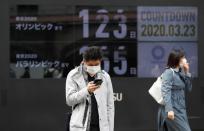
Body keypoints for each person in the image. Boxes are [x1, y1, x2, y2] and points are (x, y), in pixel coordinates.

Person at [65, 46, 114, 131]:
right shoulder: (73, 75)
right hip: (80, 127)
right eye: (91, 65)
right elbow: (69, 100)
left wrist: (110, 129)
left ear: (100, 61)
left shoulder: (105, 77)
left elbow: (110, 106)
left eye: (97, 64)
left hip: (101, 127)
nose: (94, 67)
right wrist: (86, 91)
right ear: (84, 61)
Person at [157, 49, 192, 131]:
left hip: (181, 109)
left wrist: (187, 72)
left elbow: (189, 88)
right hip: (172, 110)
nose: (185, 59)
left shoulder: (180, 72)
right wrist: (169, 110)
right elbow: (165, 91)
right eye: (182, 57)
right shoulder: (169, 72)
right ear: (176, 59)